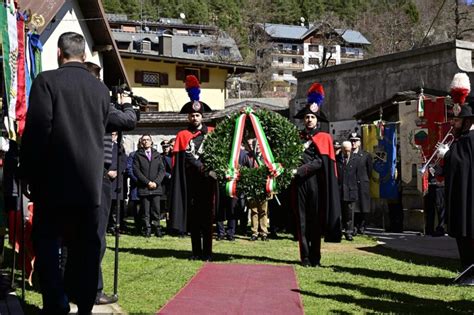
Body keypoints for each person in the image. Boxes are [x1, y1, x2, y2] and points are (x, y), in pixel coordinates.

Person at [19, 32, 110, 314]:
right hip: (88, 185)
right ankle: (84, 302)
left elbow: (38, 133)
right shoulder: (100, 90)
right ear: (84, 56)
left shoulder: (46, 82)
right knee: (85, 246)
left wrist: (29, 174)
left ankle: (56, 299)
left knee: (47, 242)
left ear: (59, 53)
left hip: (53, 183)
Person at [85, 61, 137, 305]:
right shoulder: (98, 102)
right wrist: (126, 104)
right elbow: (127, 121)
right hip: (98, 177)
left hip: (73, 174)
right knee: (96, 236)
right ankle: (93, 290)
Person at [292, 82, 342, 267]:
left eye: (312, 117)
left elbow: (322, 162)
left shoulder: (325, 138)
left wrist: (301, 170)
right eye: (307, 117)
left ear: (317, 119)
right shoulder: (296, 138)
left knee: (315, 221)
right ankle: (304, 257)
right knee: (302, 221)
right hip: (299, 184)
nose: (309, 120)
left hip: (316, 183)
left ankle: (316, 257)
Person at [170, 75, 216, 261]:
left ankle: (208, 252)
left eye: (197, 115)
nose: (194, 117)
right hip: (190, 183)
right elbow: (181, 160)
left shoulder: (212, 134)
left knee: (207, 219)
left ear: (202, 117)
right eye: (192, 115)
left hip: (208, 181)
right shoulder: (182, 135)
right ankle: (196, 252)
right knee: (194, 219)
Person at [438, 83, 474, 272]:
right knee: (463, 237)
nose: (453, 123)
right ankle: (465, 268)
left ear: (467, 120)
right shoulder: (462, 139)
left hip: (469, 199)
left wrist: (448, 155)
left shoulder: (469, 139)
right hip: (462, 197)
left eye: (457, 120)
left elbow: (464, 164)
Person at [133, 135, 166, 237]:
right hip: (144, 187)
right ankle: (147, 229)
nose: (146, 141)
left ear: (151, 142)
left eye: (148, 140)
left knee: (156, 210)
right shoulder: (137, 155)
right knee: (145, 211)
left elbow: (162, 170)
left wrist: (156, 182)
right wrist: (147, 182)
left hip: (156, 187)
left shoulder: (157, 155)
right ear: (141, 142)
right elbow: (136, 171)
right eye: (144, 140)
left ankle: (157, 228)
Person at [336, 141, 359, 241]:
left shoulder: (355, 159)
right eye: (345, 151)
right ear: (341, 149)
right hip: (339, 190)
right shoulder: (336, 159)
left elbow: (359, 174)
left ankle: (349, 232)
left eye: (349, 151)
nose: (347, 153)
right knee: (339, 213)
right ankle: (339, 231)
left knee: (349, 213)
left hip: (351, 190)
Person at [350, 132, 372, 235]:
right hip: (351, 184)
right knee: (353, 206)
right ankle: (353, 226)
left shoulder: (365, 155)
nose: (353, 143)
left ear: (359, 142)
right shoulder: (347, 154)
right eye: (351, 141)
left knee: (363, 206)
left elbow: (369, 170)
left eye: (355, 141)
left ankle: (362, 226)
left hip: (363, 184)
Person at [424, 172, 446, 237]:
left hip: (439, 184)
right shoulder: (427, 161)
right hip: (429, 184)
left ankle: (441, 228)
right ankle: (429, 228)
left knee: (440, 207)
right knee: (429, 208)